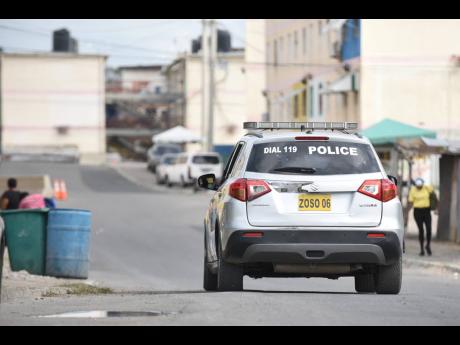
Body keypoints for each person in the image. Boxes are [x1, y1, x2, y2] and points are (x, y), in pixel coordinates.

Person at [408, 178, 437, 256]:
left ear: (422, 184)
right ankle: (421, 249)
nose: (419, 187)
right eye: (418, 186)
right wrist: (406, 213)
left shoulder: (427, 188)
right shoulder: (413, 190)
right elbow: (410, 202)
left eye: (420, 186)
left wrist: (436, 208)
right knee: (421, 230)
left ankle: (428, 245)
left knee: (429, 229)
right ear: (416, 185)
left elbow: (434, 197)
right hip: (417, 212)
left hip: (426, 211)